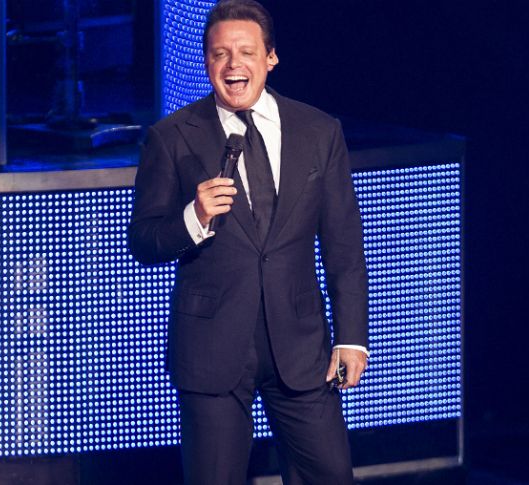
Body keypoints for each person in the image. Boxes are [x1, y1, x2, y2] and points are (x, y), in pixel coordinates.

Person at [128, 1, 369, 483]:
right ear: (207, 63)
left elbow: (343, 243)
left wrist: (351, 337)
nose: (233, 65)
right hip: (212, 347)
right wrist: (194, 217)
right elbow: (144, 241)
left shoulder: (319, 131)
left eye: (245, 52)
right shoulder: (172, 137)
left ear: (270, 58)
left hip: (300, 345)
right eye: (220, 54)